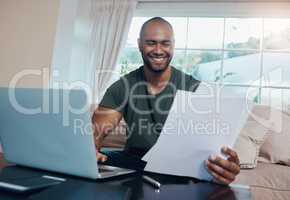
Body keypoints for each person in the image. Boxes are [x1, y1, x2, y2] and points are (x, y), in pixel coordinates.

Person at [92, 17, 240, 185]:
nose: (158, 50)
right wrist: (91, 149)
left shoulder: (194, 89)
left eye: (165, 43)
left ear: (173, 45)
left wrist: (225, 166)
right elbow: (95, 133)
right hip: (135, 162)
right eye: (151, 43)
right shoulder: (122, 87)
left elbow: (214, 146)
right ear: (140, 44)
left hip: (178, 168)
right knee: (93, 161)